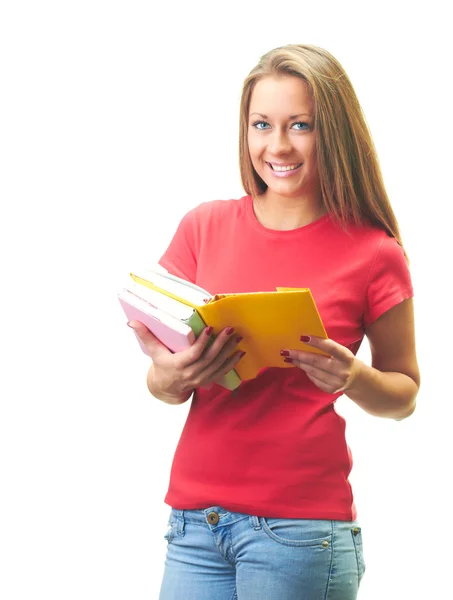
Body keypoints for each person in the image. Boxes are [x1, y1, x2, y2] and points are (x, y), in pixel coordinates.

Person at [128, 44, 420, 600]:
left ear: (332, 132)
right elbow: (161, 385)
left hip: (299, 532)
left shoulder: (373, 252)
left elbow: (404, 394)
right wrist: (177, 373)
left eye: (300, 125)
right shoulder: (203, 227)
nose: (278, 145)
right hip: (194, 523)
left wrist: (353, 377)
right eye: (262, 124)